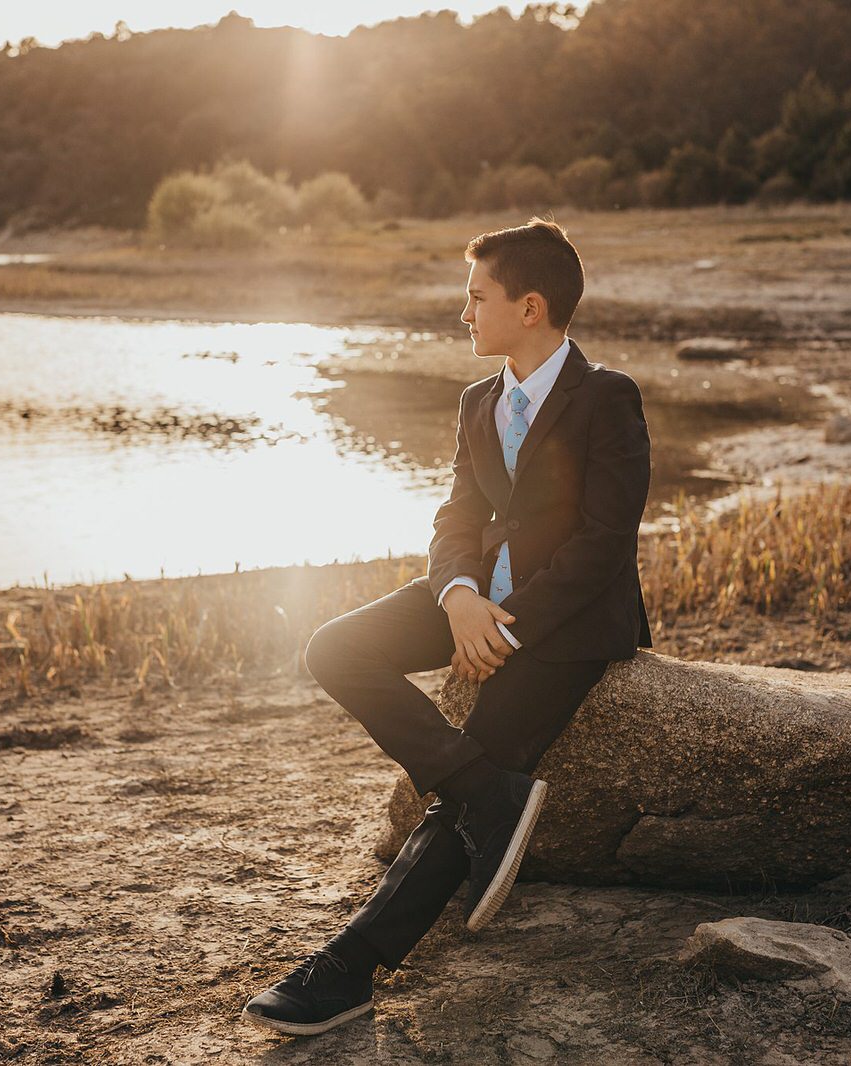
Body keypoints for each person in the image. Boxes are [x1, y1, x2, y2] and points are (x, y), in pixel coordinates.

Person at [241, 216, 654, 1037]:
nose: (464, 313)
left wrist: (506, 627)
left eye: (477, 298)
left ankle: (348, 971)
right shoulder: (477, 401)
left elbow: (606, 541)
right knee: (336, 648)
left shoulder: (608, 397)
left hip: (565, 625)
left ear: (530, 307)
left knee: (459, 795)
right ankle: (485, 792)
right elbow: (456, 515)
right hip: (473, 599)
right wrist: (459, 595)